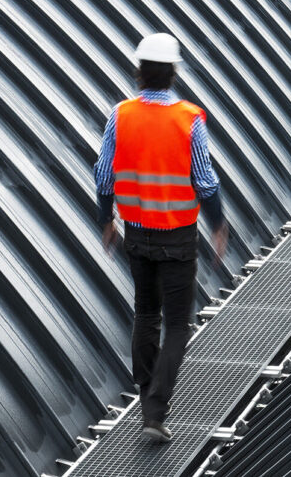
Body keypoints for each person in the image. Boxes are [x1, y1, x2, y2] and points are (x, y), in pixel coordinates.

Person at [93, 32, 228, 443]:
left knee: (146, 315)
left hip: (137, 235)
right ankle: (155, 409)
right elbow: (204, 182)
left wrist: (106, 220)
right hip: (178, 238)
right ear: (172, 73)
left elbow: (103, 174)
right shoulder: (189, 118)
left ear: (139, 72)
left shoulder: (122, 114)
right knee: (177, 326)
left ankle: (146, 392)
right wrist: (219, 223)